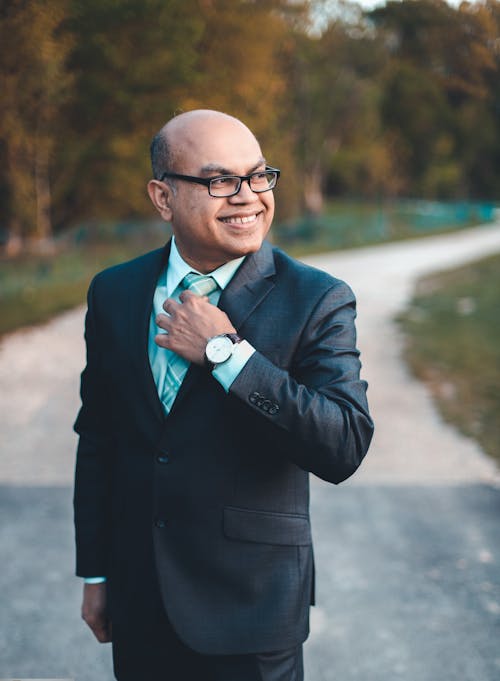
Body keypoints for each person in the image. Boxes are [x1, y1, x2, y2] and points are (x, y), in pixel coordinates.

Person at [73, 109, 373, 681]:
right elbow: (100, 440)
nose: (248, 197)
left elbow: (344, 444)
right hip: (140, 600)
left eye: (259, 176)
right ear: (163, 198)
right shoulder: (114, 291)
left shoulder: (317, 299)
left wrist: (226, 355)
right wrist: (97, 573)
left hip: (251, 612)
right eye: (220, 182)